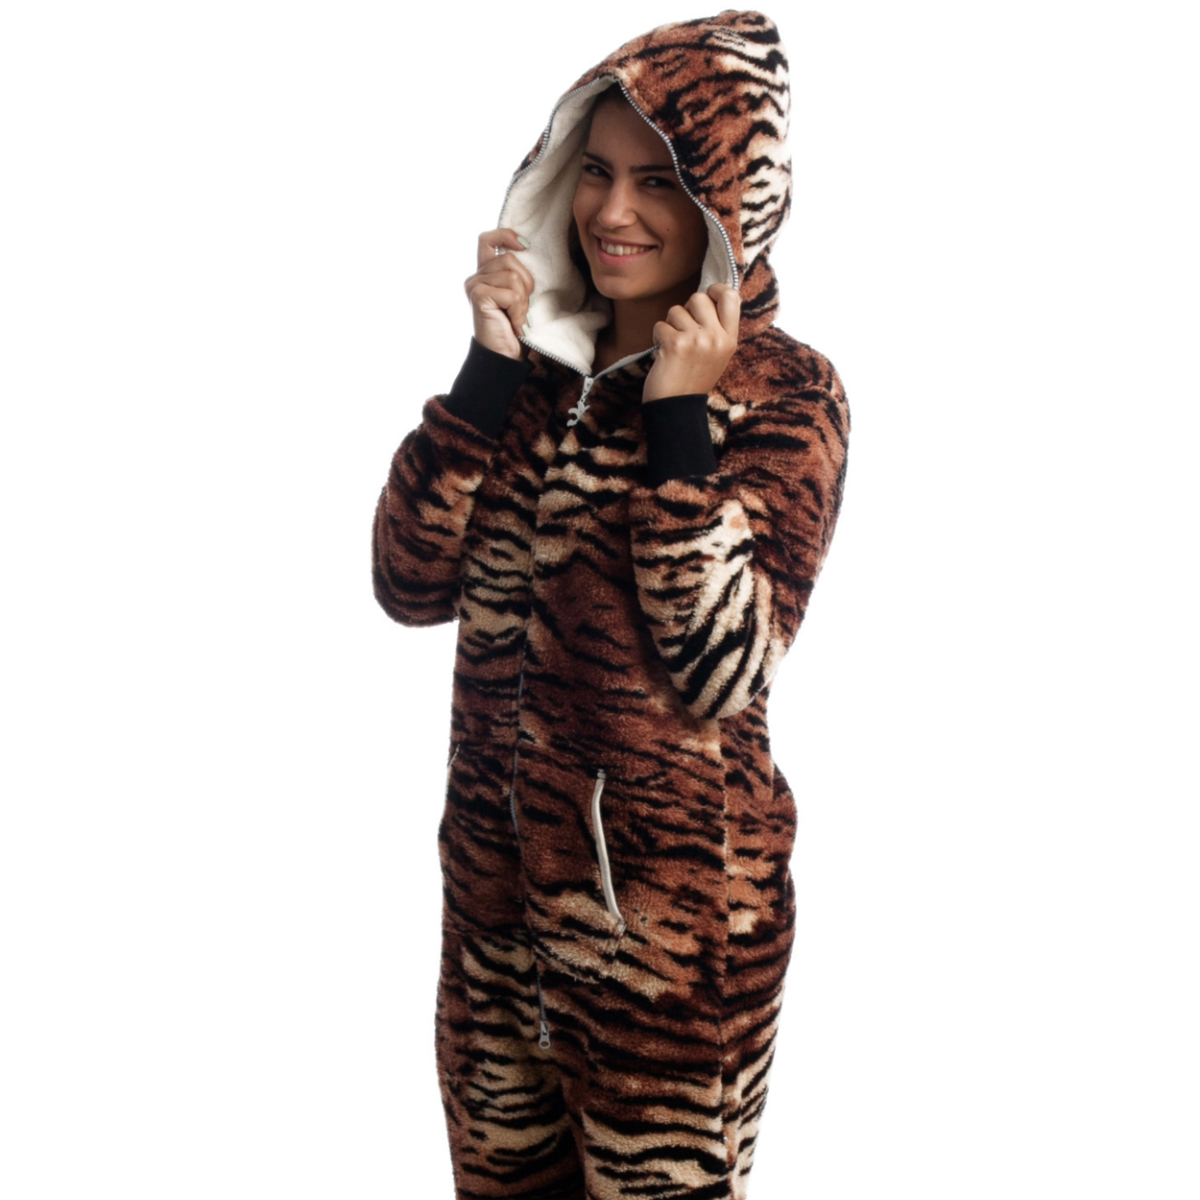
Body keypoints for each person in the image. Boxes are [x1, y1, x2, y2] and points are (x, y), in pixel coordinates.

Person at [372, 11, 850, 1198]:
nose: (612, 211)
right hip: (492, 930)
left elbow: (723, 664)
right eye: (592, 172)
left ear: (726, 204)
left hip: (671, 945)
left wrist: (679, 422)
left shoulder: (787, 395)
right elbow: (406, 583)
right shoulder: (528, 379)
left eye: (659, 180)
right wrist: (485, 373)